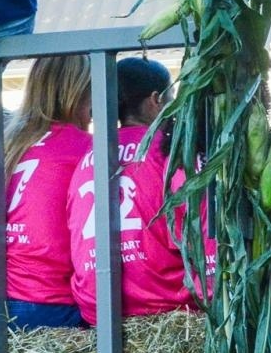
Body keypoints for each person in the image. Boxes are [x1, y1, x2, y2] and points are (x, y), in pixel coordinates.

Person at [67, 57, 207, 324]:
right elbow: (196, 229)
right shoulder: (167, 150)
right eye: (172, 98)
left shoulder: (90, 152)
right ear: (156, 100)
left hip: (96, 306)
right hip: (162, 304)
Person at [3, 53, 91, 327]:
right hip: (52, 302)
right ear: (79, 94)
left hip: (2, 300)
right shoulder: (84, 148)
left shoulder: (10, 143)